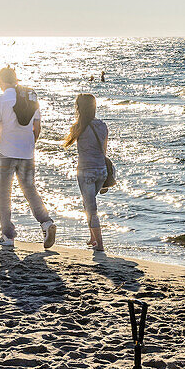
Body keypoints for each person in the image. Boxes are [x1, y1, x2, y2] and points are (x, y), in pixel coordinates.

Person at [0, 66, 56, 249]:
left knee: (3, 194)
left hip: (5, 154)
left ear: (2, 81)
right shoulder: (30, 99)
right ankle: (46, 223)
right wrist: (30, 145)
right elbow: (37, 128)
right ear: (15, 79)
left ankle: (8, 236)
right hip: (27, 155)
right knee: (30, 190)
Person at [63, 93, 108, 252]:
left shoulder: (77, 127)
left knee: (91, 209)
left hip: (86, 172)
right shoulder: (102, 125)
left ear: (79, 108)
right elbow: (104, 150)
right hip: (102, 171)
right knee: (87, 204)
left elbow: (67, 143)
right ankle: (92, 237)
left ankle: (100, 245)